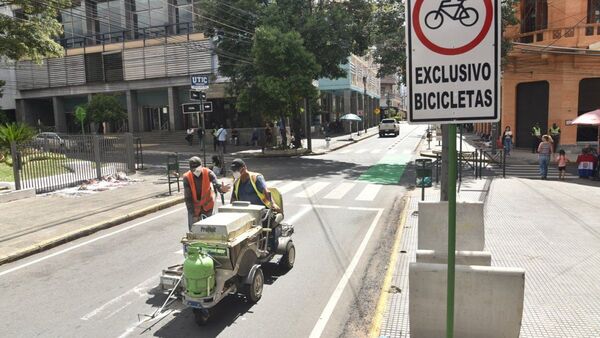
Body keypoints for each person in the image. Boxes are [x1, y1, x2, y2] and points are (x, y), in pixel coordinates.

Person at [183, 157, 230, 231]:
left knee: (211, 229)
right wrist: (193, 214)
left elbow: (216, 185)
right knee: (194, 230)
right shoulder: (187, 177)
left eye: (198, 168)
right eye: (194, 170)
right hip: (195, 207)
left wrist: (222, 189)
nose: (196, 171)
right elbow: (188, 198)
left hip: (208, 205)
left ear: (201, 166)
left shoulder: (209, 173)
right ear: (190, 169)